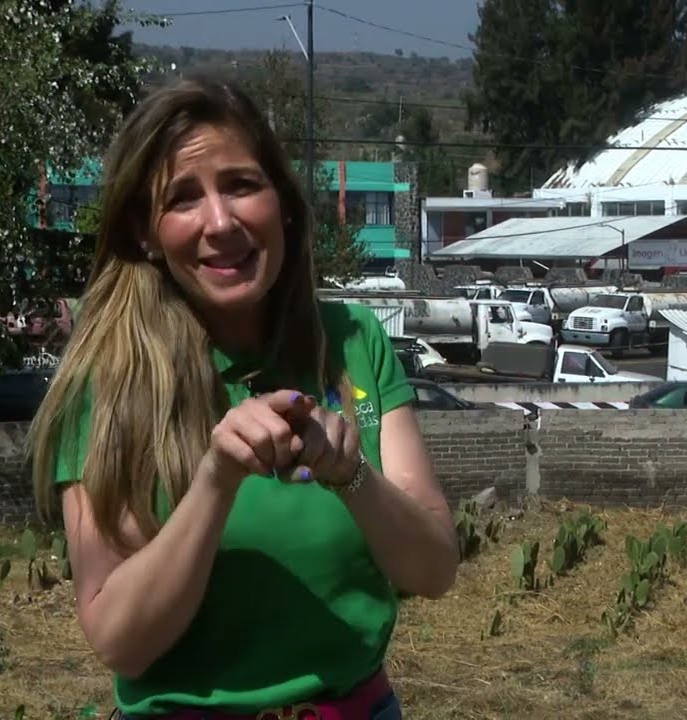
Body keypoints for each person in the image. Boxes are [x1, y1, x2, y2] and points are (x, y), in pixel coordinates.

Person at [26, 75, 459, 720]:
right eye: (182, 198)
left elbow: (434, 569)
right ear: (145, 232)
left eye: (240, 185)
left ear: (282, 201)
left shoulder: (353, 343)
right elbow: (120, 640)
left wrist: (351, 475)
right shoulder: (108, 382)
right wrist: (215, 480)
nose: (220, 222)